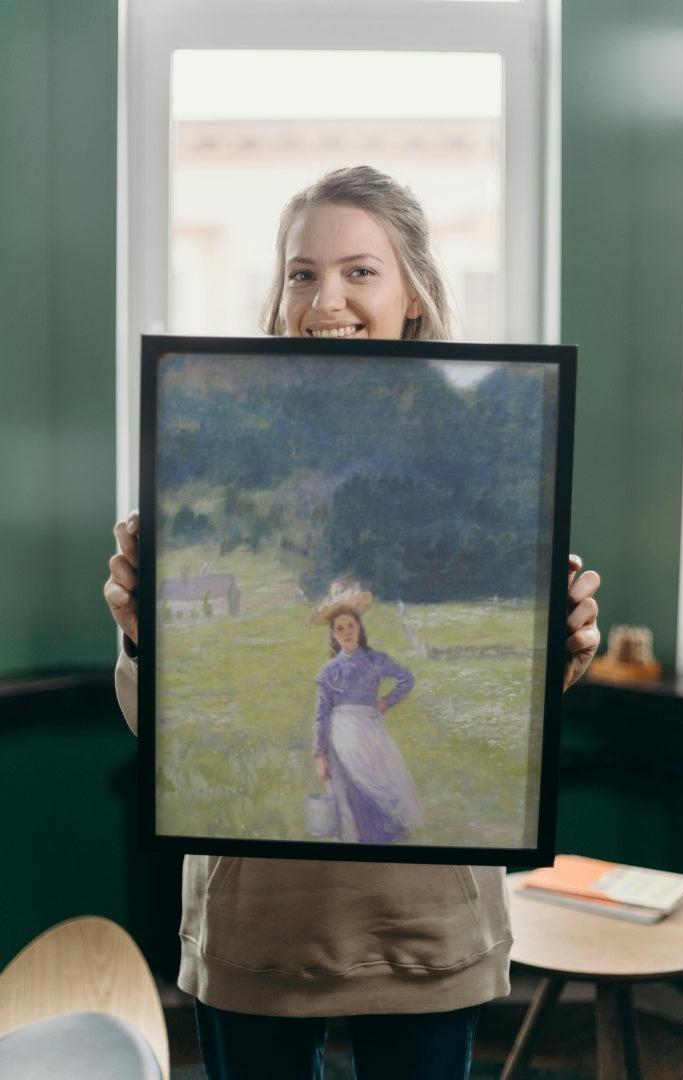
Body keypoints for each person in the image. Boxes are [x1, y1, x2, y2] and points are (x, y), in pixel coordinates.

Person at [105, 165, 601, 1080]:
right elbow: (162, 732)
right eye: (301, 272)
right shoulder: (207, 438)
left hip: (423, 924)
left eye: (359, 271)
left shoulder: (488, 447)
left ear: (412, 292)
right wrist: (143, 639)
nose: (324, 297)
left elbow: (511, 717)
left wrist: (556, 654)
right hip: (258, 924)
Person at [312, 582, 422, 845]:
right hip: (341, 734)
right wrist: (320, 754)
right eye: (340, 628)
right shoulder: (329, 671)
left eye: (351, 626)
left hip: (370, 731)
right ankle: (355, 840)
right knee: (350, 786)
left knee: (378, 781)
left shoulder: (374, 660)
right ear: (333, 634)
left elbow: (406, 678)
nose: (347, 632)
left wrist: (386, 701)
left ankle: (381, 836)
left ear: (359, 628)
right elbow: (321, 714)